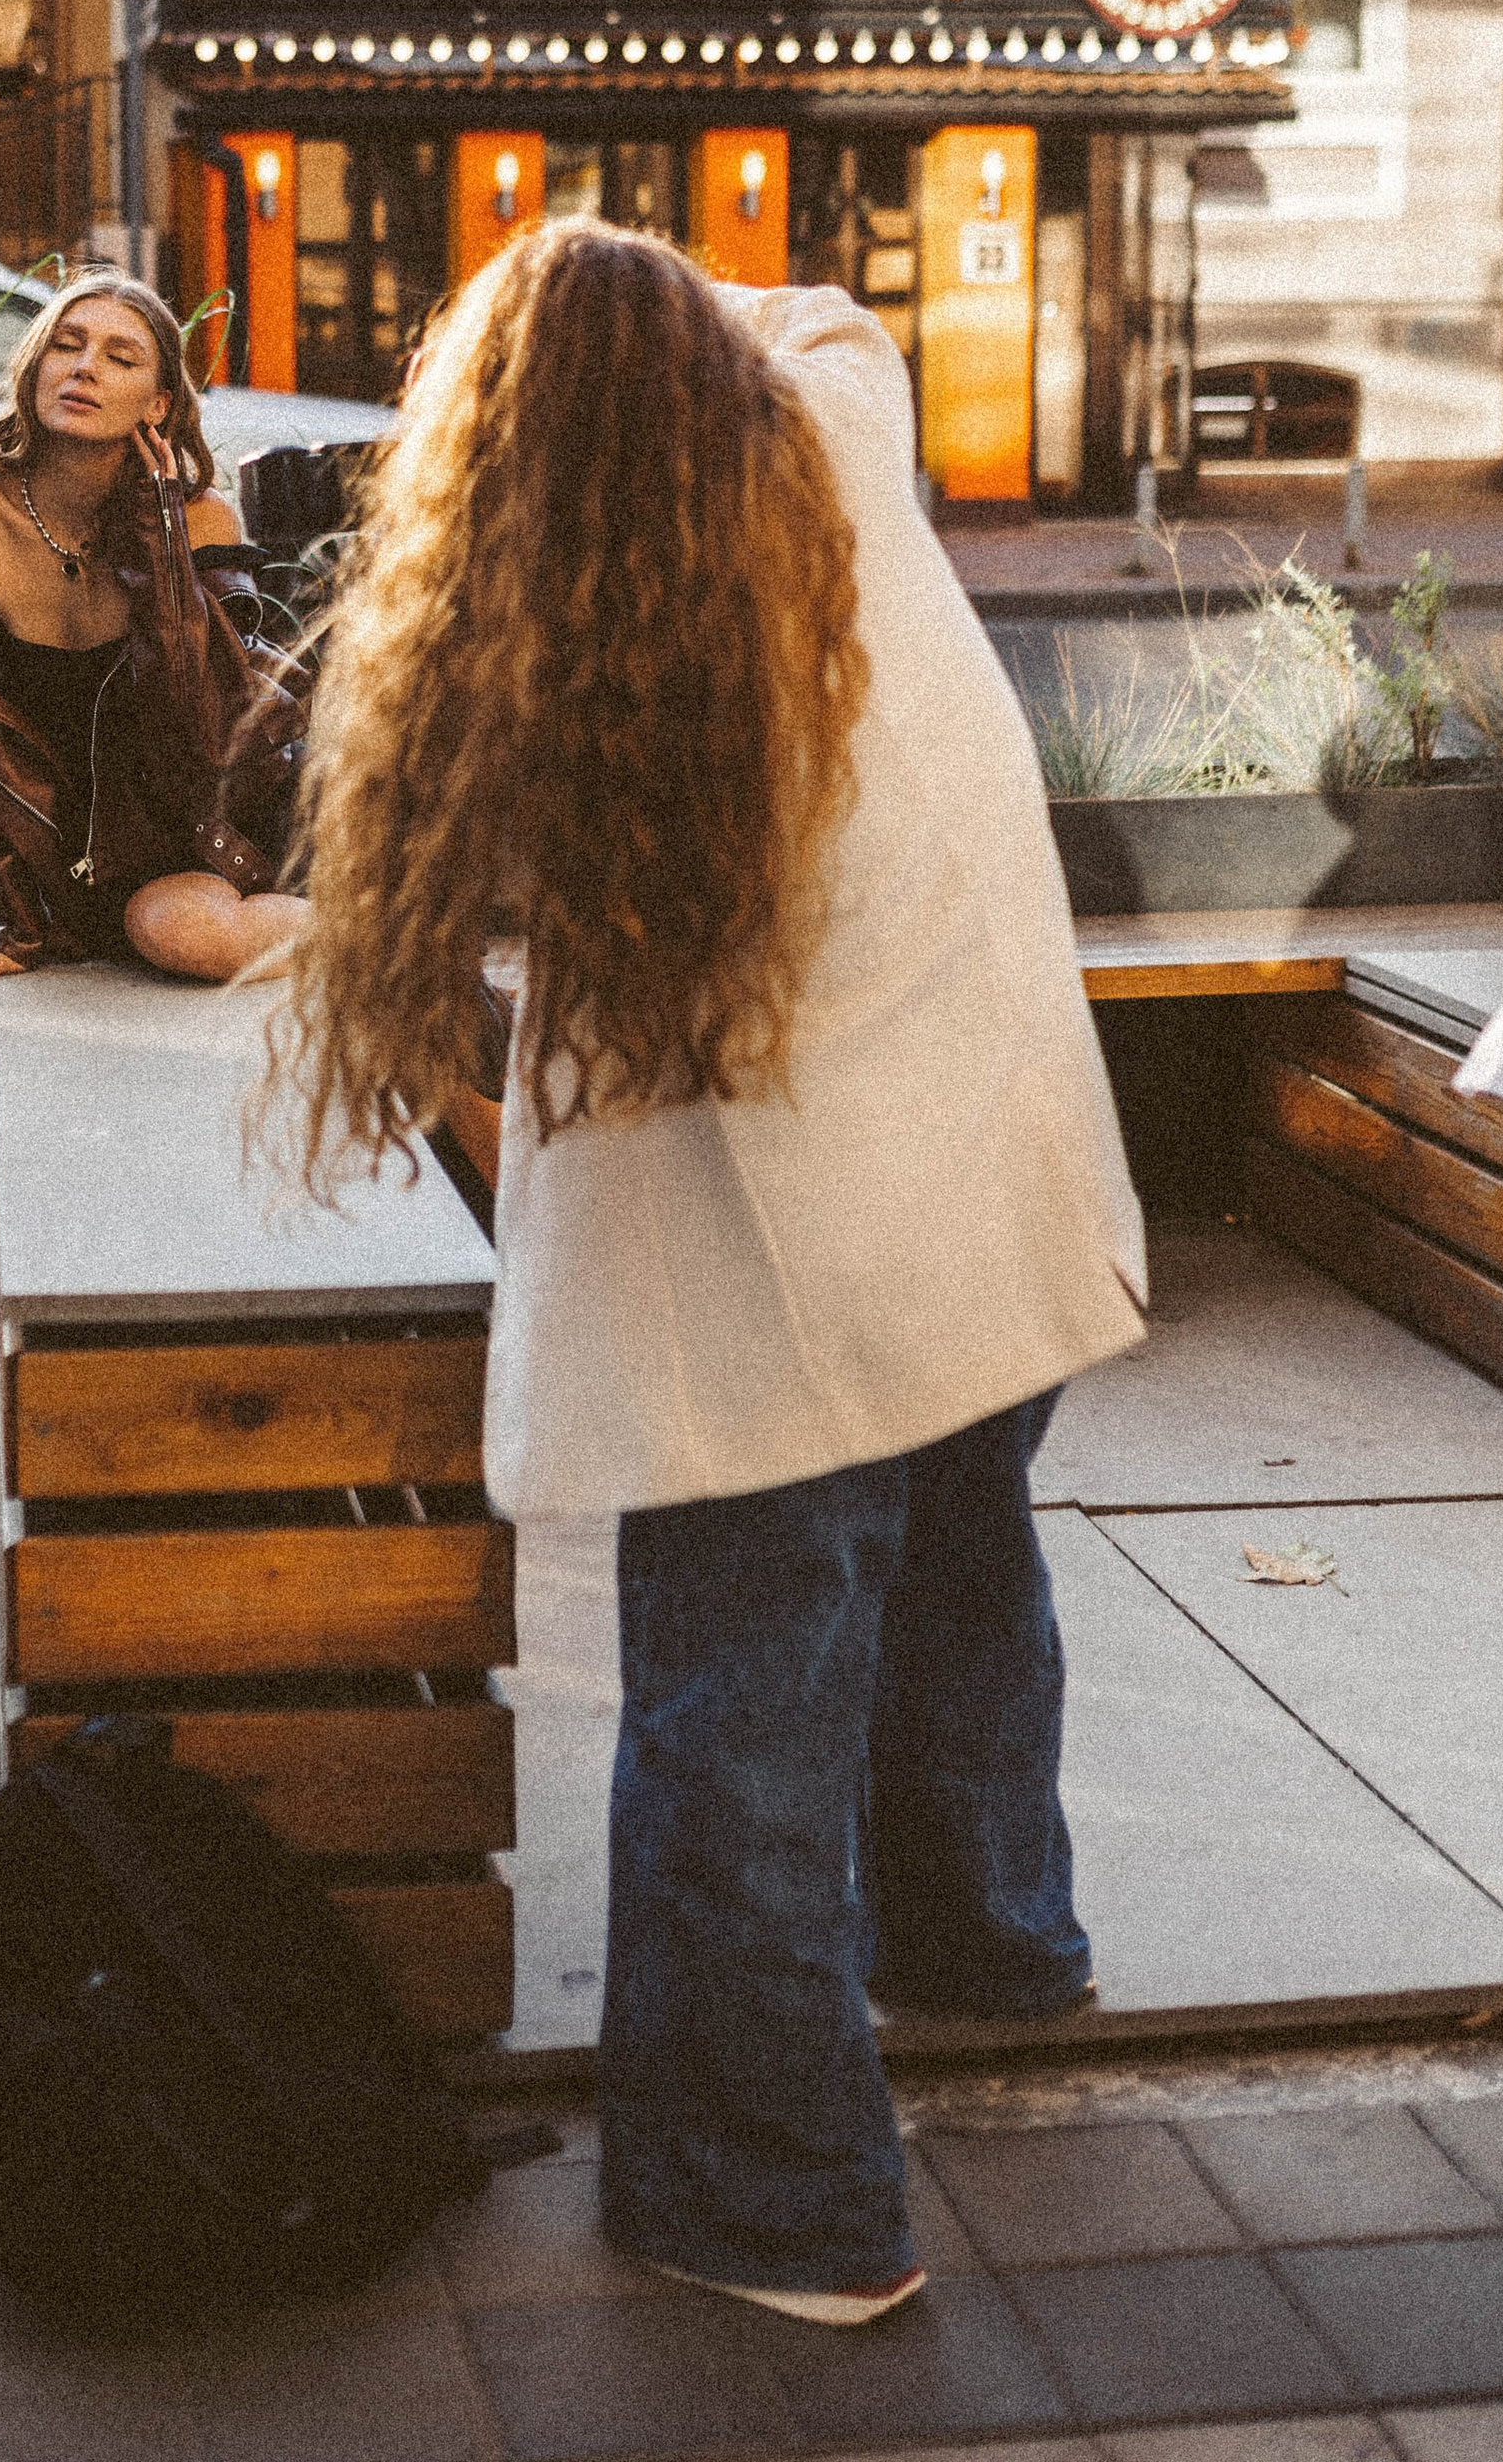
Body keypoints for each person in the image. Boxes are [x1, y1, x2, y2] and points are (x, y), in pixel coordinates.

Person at [281, 222, 1146, 2327]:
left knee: (738, 1716)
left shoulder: (559, 701)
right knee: (962, 1574)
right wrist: (617, 312)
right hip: (996, 1182)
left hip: (781, 1289)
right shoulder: (840, 432)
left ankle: (776, 2209)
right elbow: (799, 314)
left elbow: (442, 923)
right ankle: (991, 1946)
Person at [0, 275, 306, 1019]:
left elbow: (209, 734)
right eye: (67, 345)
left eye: (120, 358)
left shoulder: (200, 520)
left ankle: (380, 931)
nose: (85, 367)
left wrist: (161, 540)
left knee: (176, 931)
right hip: (76, 861)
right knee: (151, 926)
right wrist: (25, 926)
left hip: (206, 829)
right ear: (35, 369)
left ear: (158, 405)